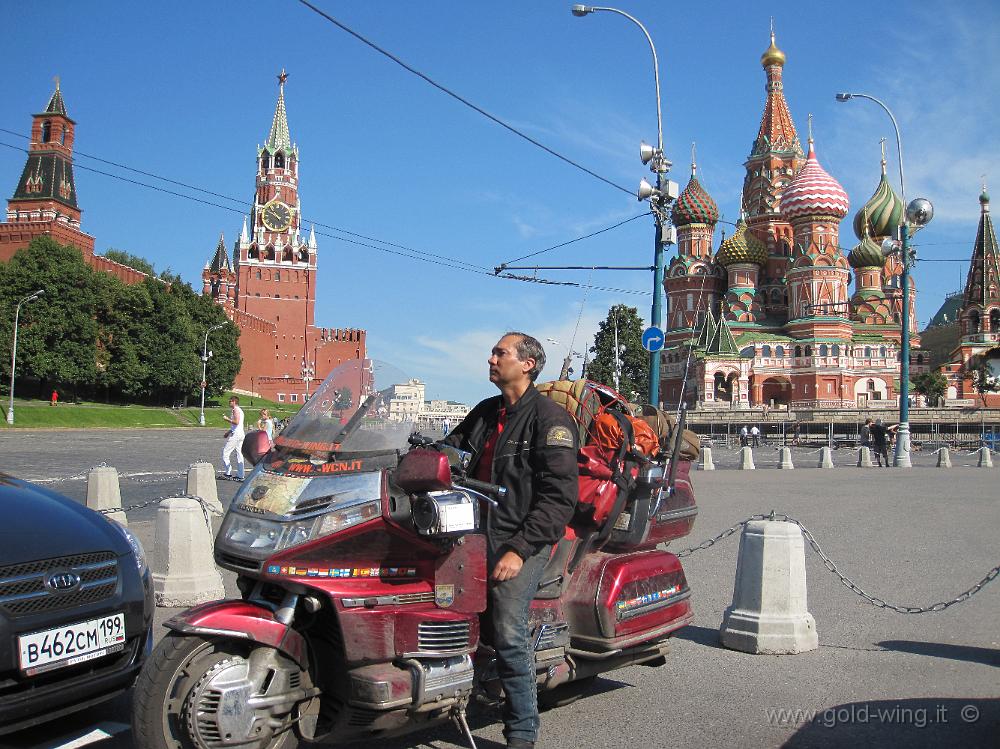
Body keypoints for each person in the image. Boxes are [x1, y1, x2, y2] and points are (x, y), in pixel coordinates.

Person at [443, 332, 578, 749]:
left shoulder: (550, 420)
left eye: (500, 353)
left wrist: (519, 550)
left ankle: (522, 731)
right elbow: (449, 451)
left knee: (507, 628)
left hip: (523, 537)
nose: (491, 358)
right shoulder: (487, 411)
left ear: (528, 364)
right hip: (473, 532)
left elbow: (559, 499)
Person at [221, 396, 246, 479]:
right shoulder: (239, 410)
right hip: (240, 434)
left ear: (234, 402)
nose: (229, 402)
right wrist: (228, 432)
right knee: (239, 453)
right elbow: (237, 425)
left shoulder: (236, 410)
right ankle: (240, 474)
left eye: (230, 401)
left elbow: (236, 422)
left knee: (225, 453)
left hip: (236, 435)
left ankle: (228, 473)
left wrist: (226, 419)